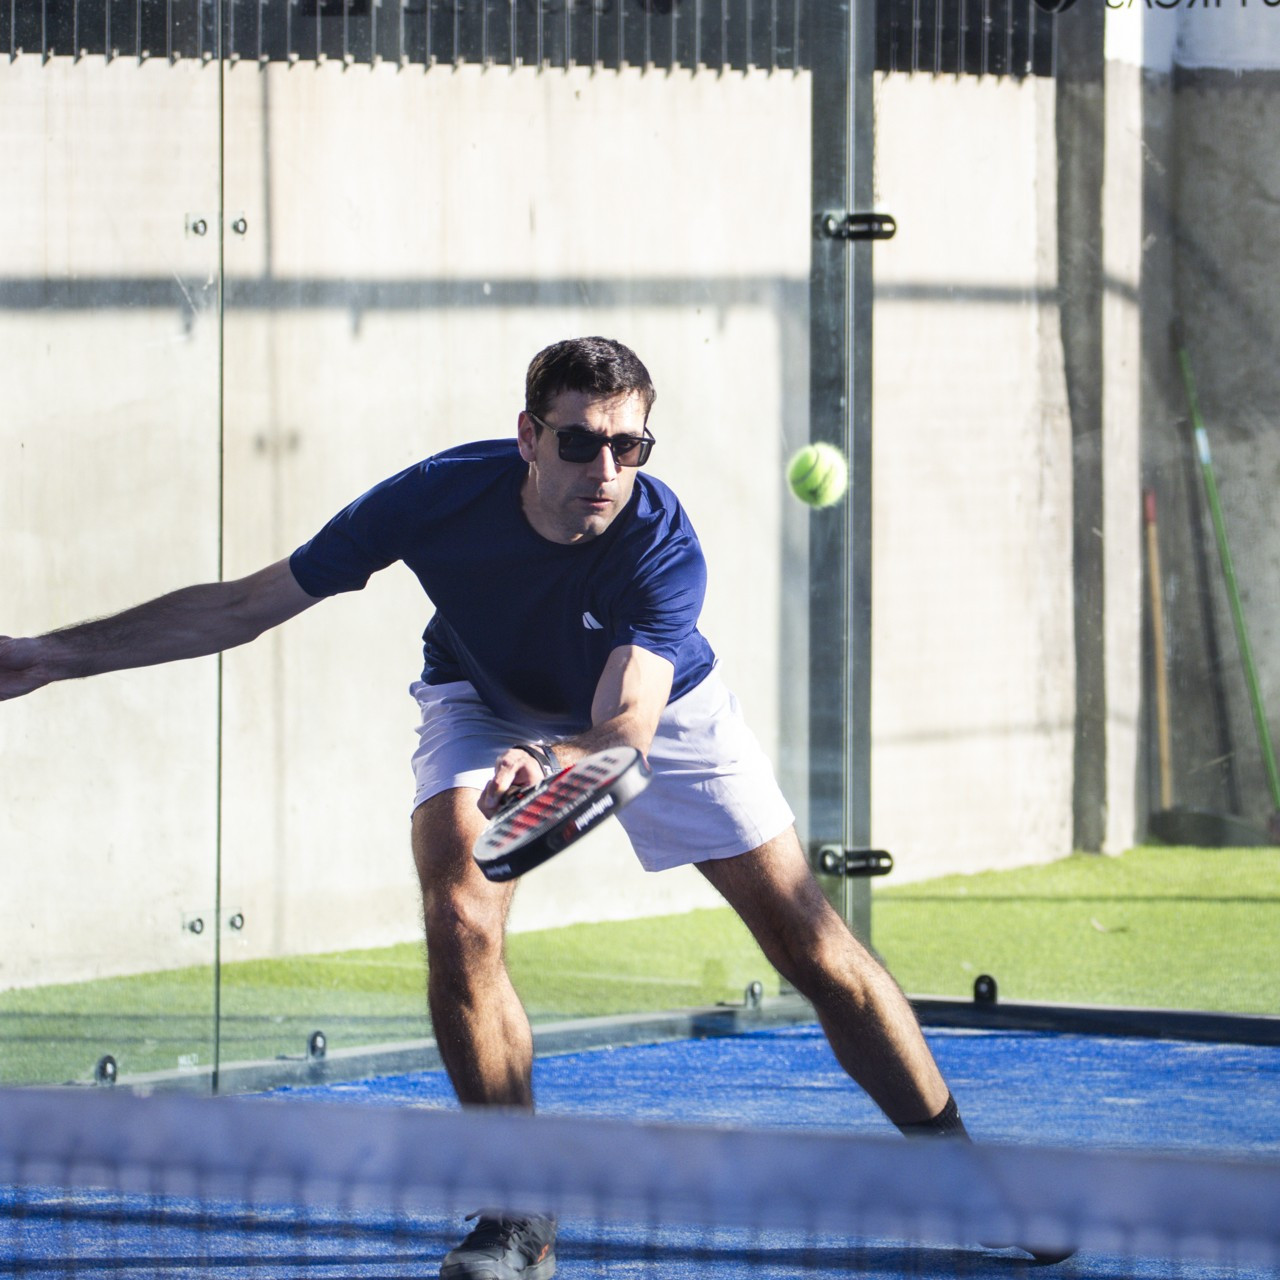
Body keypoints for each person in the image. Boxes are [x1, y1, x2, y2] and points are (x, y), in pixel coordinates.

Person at [1, 337, 968, 1280]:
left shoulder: (659, 542)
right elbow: (244, 606)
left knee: (810, 944)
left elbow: (627, 729)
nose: (605, 470)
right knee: (460, 912)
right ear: (529, 437)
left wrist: (550, 760)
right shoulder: (435, 495)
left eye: (628, 446)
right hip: (483, 697)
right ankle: (518, 1208)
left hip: (655, 714)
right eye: (580, 442)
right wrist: (52, 655)